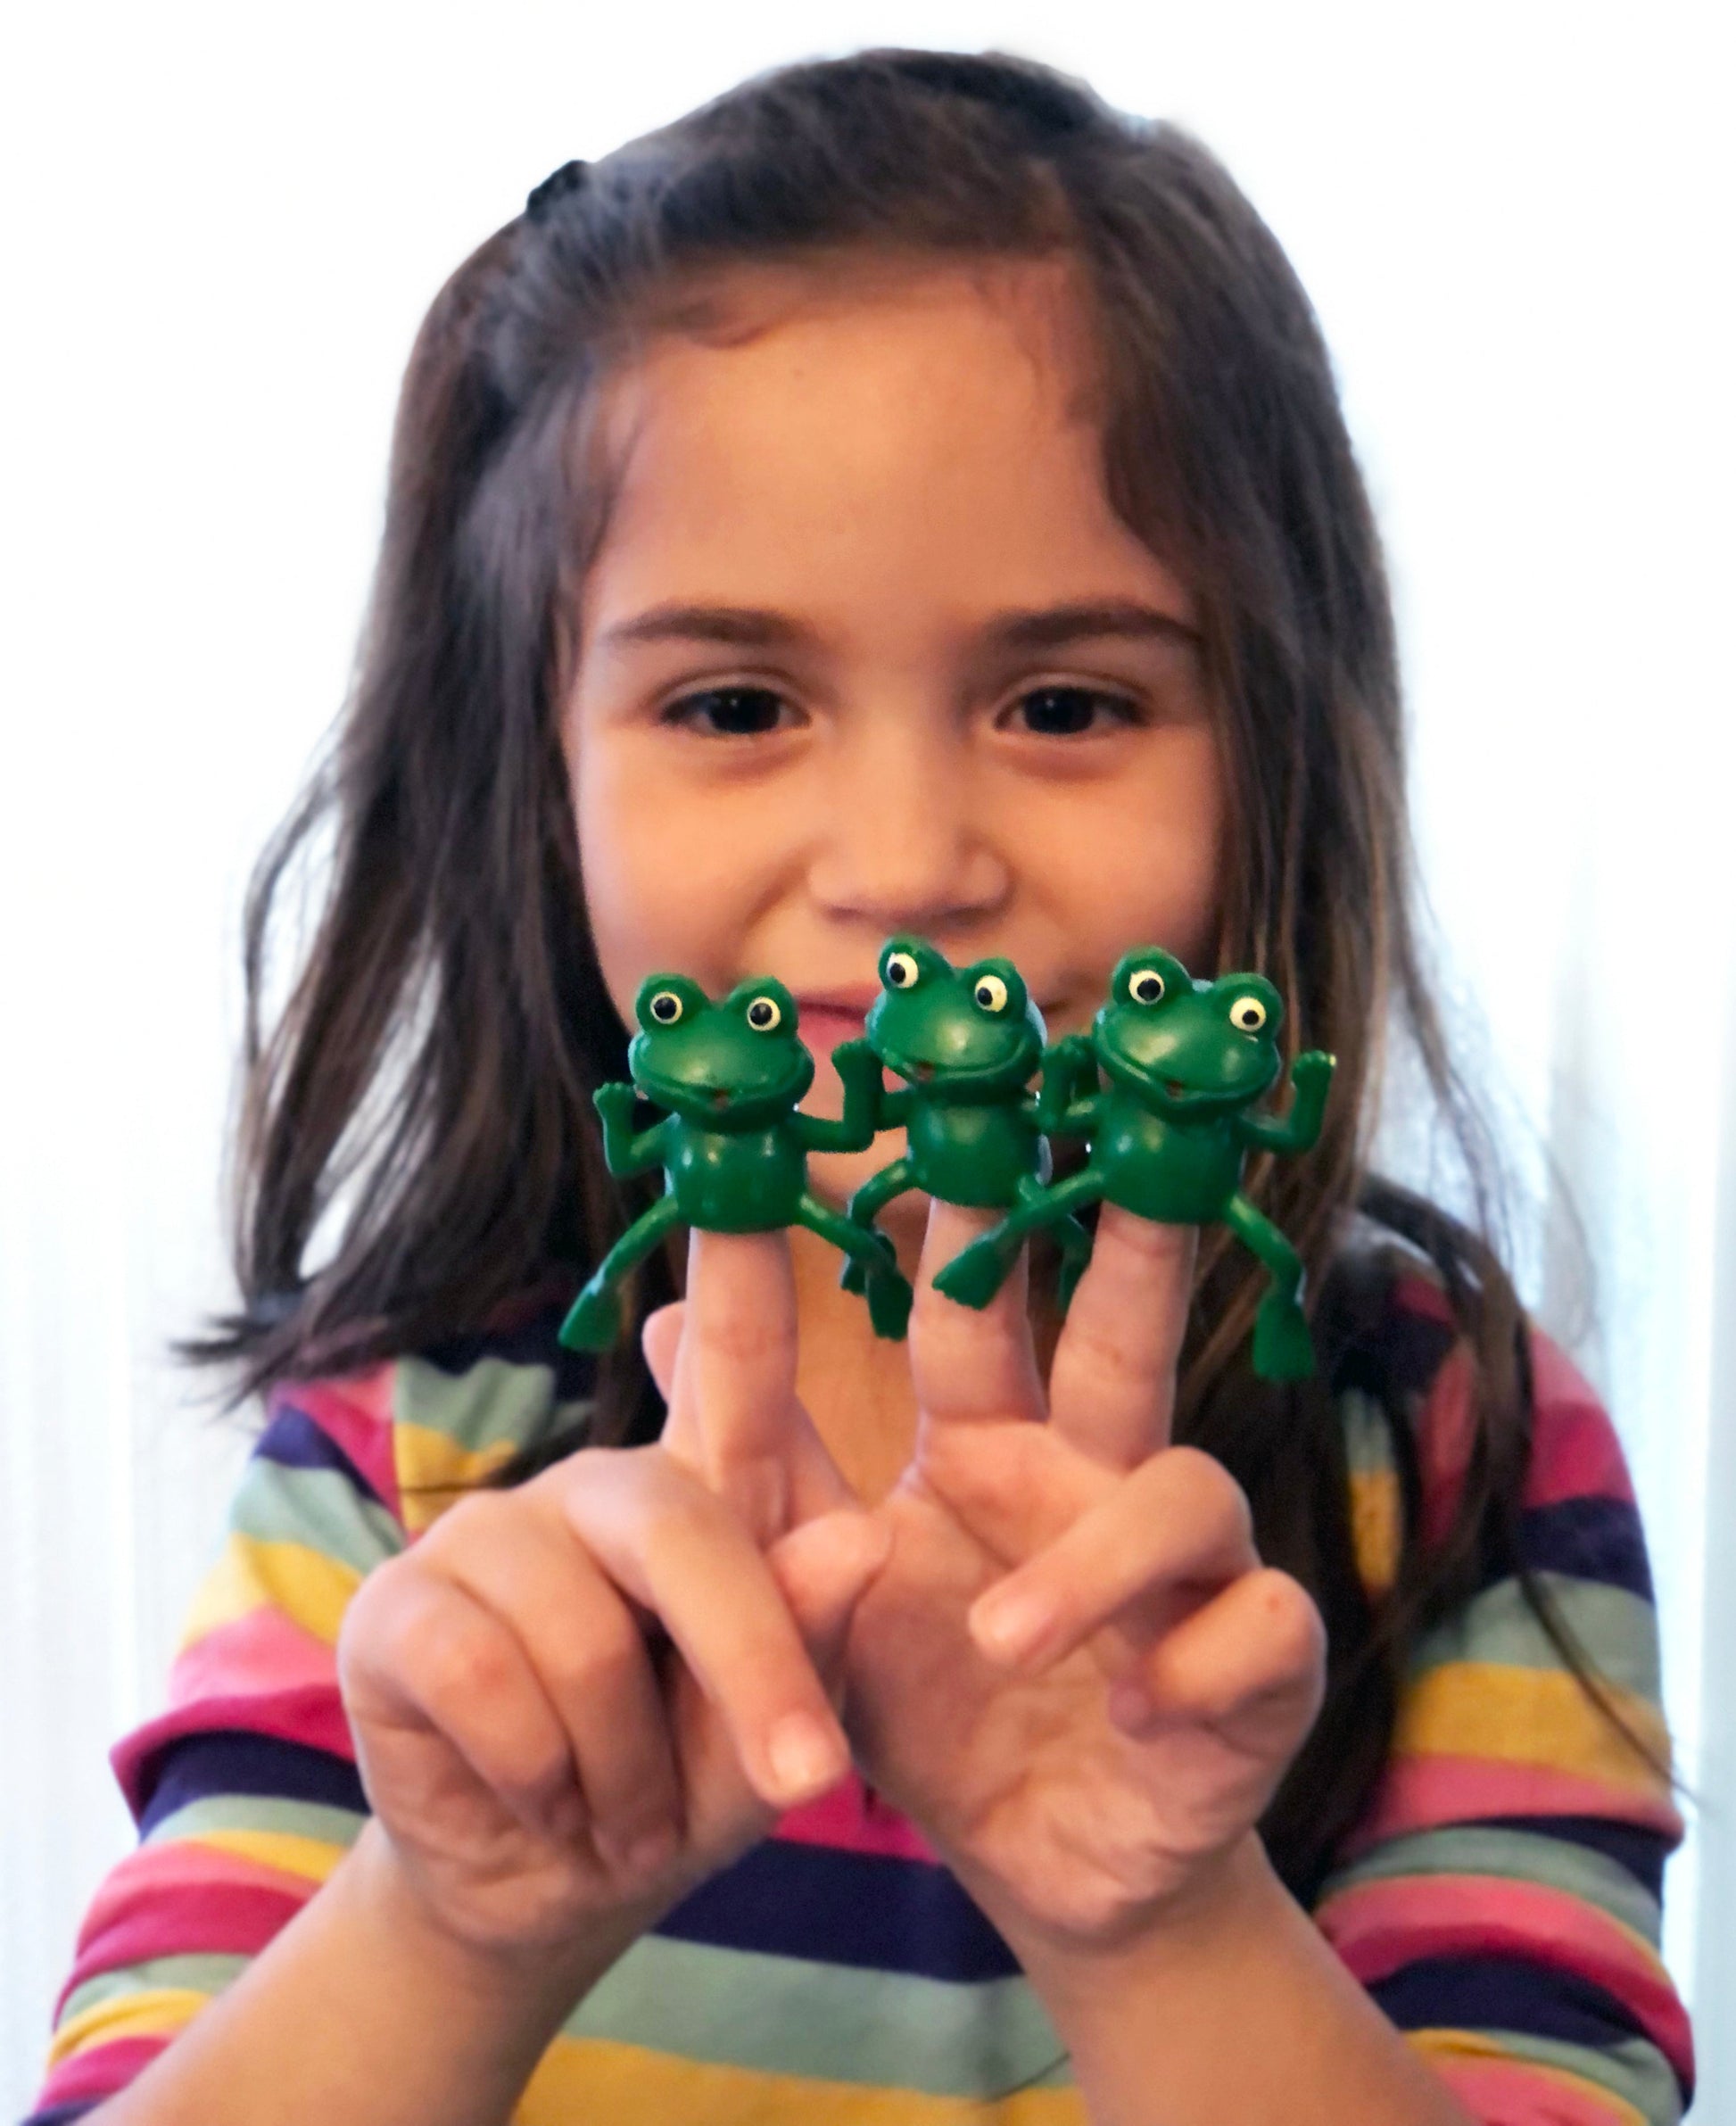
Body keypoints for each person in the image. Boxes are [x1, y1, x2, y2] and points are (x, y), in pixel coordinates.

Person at [26, 46, 1694, 2126]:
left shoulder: (1447, 1452)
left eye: (1065, 700)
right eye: (735, 701)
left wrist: (1160, 1925)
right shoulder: (403, 1457)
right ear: (539, 782)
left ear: (1270, 748)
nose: (905, 863)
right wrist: (452, 1924)